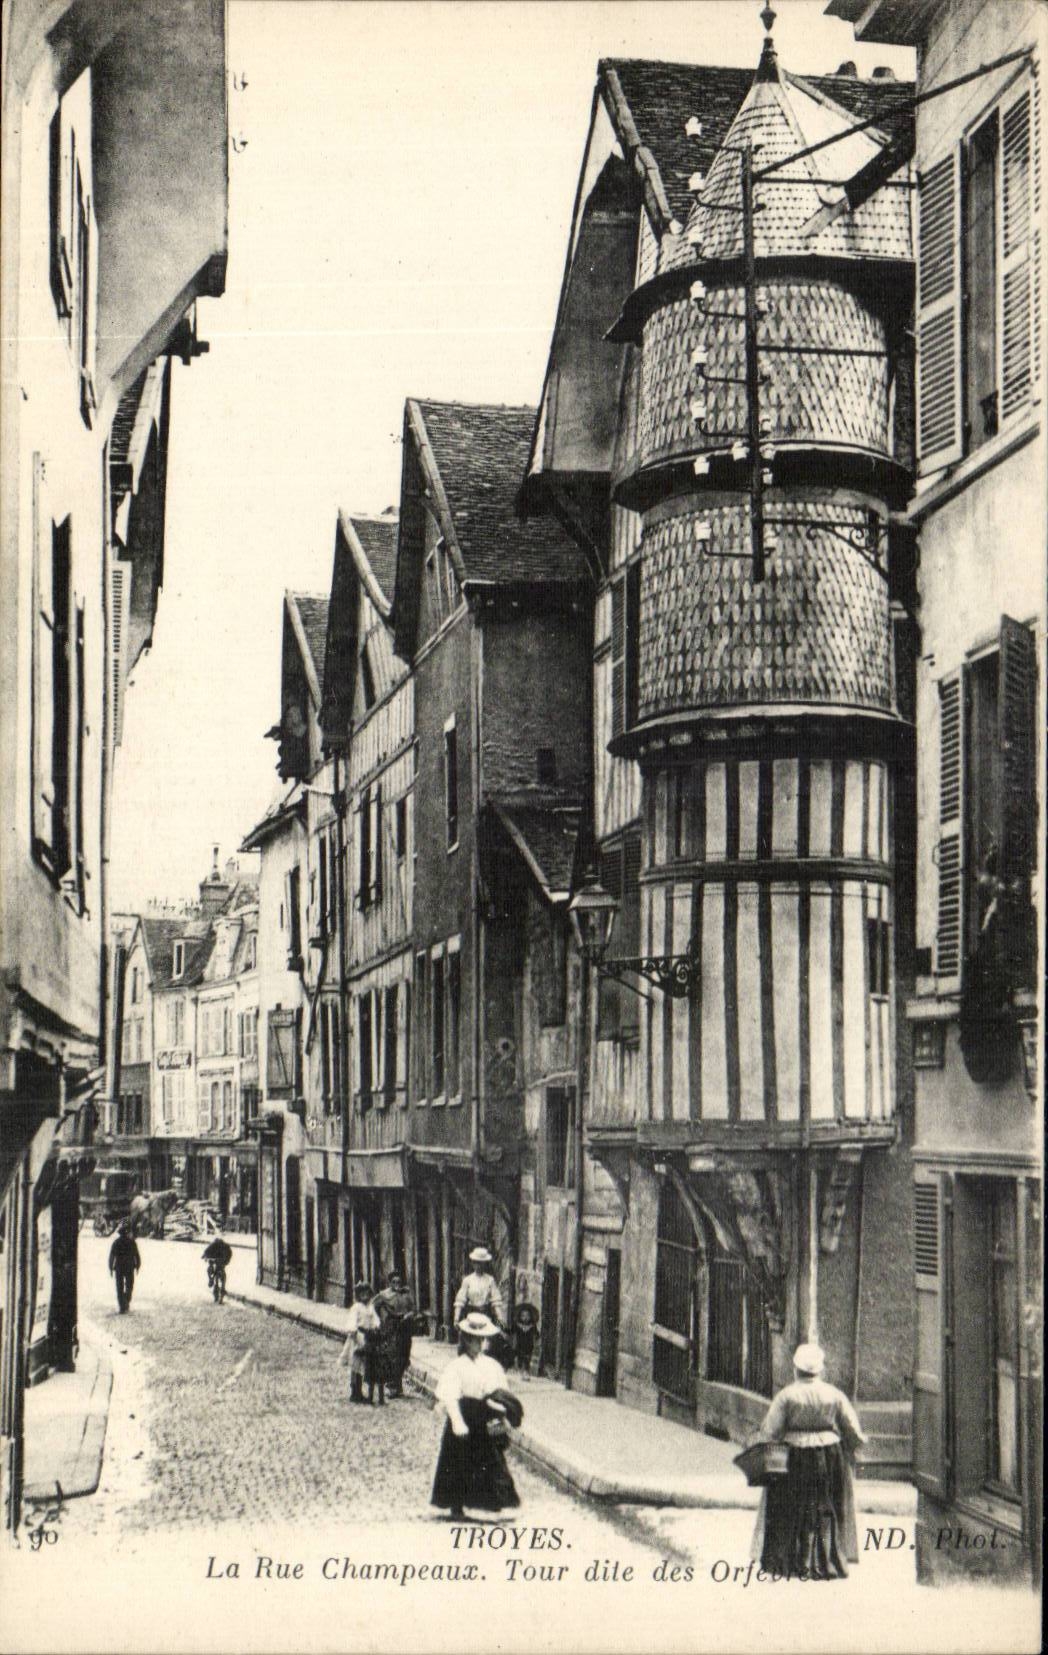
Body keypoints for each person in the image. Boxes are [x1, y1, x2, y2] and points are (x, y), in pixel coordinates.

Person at [750, 1342, 866, 1581]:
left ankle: (790, 1560)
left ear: (796, 1369)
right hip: (829, 1456)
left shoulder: (786, 1396)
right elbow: (852, 1429)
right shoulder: (834, 1395)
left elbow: (770, 1431)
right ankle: (827, 1562)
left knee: (790, 1505)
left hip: (794, 1455)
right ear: (820, 1370)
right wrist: (854, 1448)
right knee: (825, 1506)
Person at [430, 1312, 521, 1519]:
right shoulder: (456, 1367)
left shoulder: (491, 1365)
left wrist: (502, 1412)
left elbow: (499, 1391)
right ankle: (456, 1504)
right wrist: (457, 1422)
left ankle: (492, 1502)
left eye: (481, 1340)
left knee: (488, 1459)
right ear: (465, 1340)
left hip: (483, 1415)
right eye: (473, 1340)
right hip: (464, 1413)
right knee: (458, 1460)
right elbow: (450, 1396)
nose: (478, 1344)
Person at [337, 1281, 381, 1405]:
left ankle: (360, 1391)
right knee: (355, 1365)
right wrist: (353, 1331)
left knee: (363, 1365)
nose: (365, 1296)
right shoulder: (356, 1307)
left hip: (367, 1337)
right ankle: (354, 1391)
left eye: (367, 1293)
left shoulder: (370, 1307)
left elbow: (375, 1319)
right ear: (358, 1295)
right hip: (357, 1337)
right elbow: (352, 1322)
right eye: (362, 1294)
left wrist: (376, 1326)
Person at [373, 1272, 416, 1398]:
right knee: (393, 1355)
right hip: (391, 1327)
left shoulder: (406, 1294)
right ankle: (392, 1386)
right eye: (394, 1282)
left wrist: (409, 1315)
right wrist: (379, 1320)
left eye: (399, 1282)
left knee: (404, 1355)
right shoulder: (384, 1295)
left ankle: (398, 1385)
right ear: (390, 1282)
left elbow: (413, 1309)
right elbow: (373, 1306)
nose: (397, 1284)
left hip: (405, 1327)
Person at [108, 1222, 141, 1313]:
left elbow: (112, 1256)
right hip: (129, 1267)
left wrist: (110, 1268)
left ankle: (122, 1305)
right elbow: (137, 1255)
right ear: (126, 1233)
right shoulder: (132, 1242)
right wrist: (137, 1266)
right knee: (129, 1286)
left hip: (119, 1267)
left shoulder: (116, 1242)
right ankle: (126, 1300)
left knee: (119, 1286)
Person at [202, 1235, 233, 1301]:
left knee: (216, 1270)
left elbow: (229, 1254)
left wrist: (226, 1260)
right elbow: (206, 1252)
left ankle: (217, 1284)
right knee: (212, 1269)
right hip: (217, 1261)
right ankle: (213, 1280)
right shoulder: (215, 1246)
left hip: (220, 1261)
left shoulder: (222, 1246)